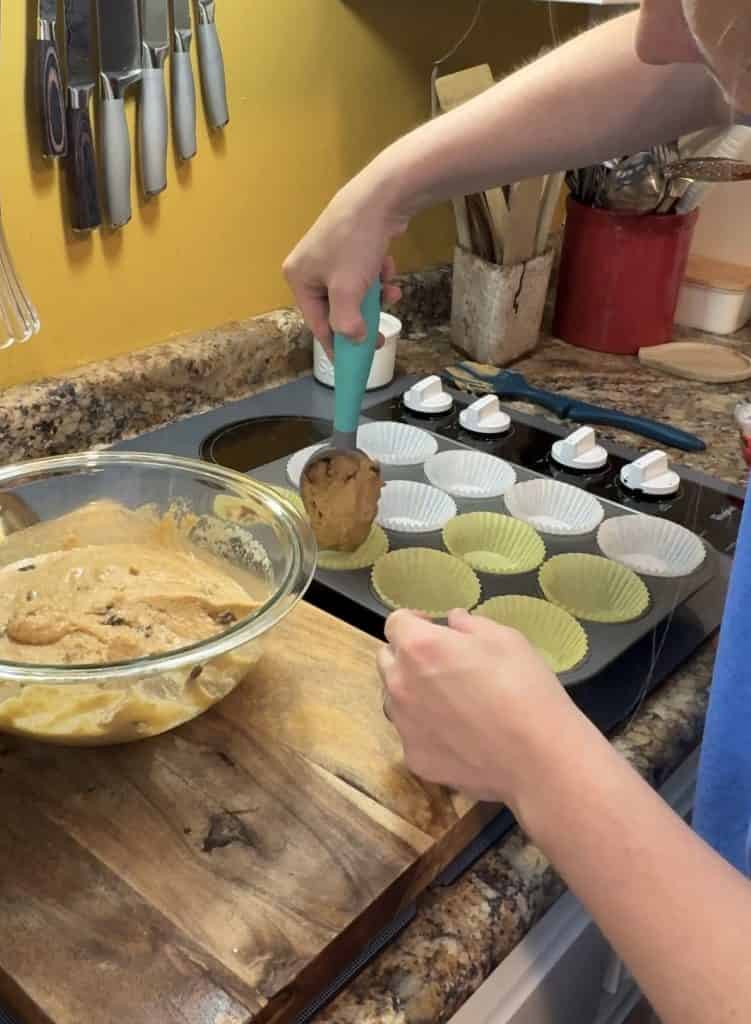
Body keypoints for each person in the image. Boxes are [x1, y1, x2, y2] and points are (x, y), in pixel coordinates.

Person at [283, 3, 751, 1022]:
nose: (659, 35)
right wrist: (384, 185)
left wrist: (544, 765)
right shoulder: (695, 45)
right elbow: (667, 59)